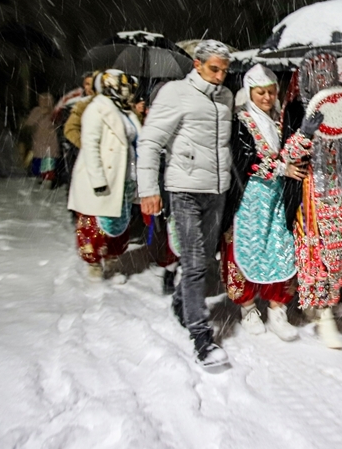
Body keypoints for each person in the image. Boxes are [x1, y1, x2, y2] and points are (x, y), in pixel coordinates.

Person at [137, 40, 234, 370]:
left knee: (204, 258)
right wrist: (148, 189)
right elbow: (150, 141)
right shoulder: (175, 93)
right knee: (194, 262)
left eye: (224, 70)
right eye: (214, 69)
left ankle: (181, 301)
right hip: (184, 191)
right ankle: (202, 338)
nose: (220, 76)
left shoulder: (226, 98)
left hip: (216, 191)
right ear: (197, 64)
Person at [281, 50, 342, 349]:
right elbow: (288, 156)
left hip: (337, 194)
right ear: (308, 76)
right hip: (312, 193)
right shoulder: (299, 110)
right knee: (315, 254)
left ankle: (326, 300)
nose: (325, 79)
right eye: (318, 73)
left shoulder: (341, 110)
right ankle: (322, 314)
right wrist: (305, 134)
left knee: (336, 253)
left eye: (329, 73)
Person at [222, 64, 304, 342]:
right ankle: (247, 308)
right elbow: (244, 161)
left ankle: (277, 308)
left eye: (270, 92)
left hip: (277, 197)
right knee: (246, 249)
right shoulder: (241, 121)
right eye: (260, 92)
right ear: (249, 93)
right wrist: (282, 168)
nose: (266, 98)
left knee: (280, 248)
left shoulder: (280, 122)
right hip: (250, 198)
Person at [67, 69, 141, 281]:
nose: (128, 91)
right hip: (101, 177)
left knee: (117, 223)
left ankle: (111, 259)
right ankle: (93, 265)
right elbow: (90, 146)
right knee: (94, 225)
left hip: (123, 176)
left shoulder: (125, 111)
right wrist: (98, 179)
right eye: (123, 86)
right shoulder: (96, 109)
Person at [24, 92, 60, 184]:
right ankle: (38, 180)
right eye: (42, 100)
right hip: (38, 142)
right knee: (37, 166)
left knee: (48, 164)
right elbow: (29, 124)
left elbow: (58, 123)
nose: (44, 102)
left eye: (47, 100)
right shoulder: (36, 111)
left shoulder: (55, 110)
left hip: (50, 143)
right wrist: (40, 115)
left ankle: (48, 181)